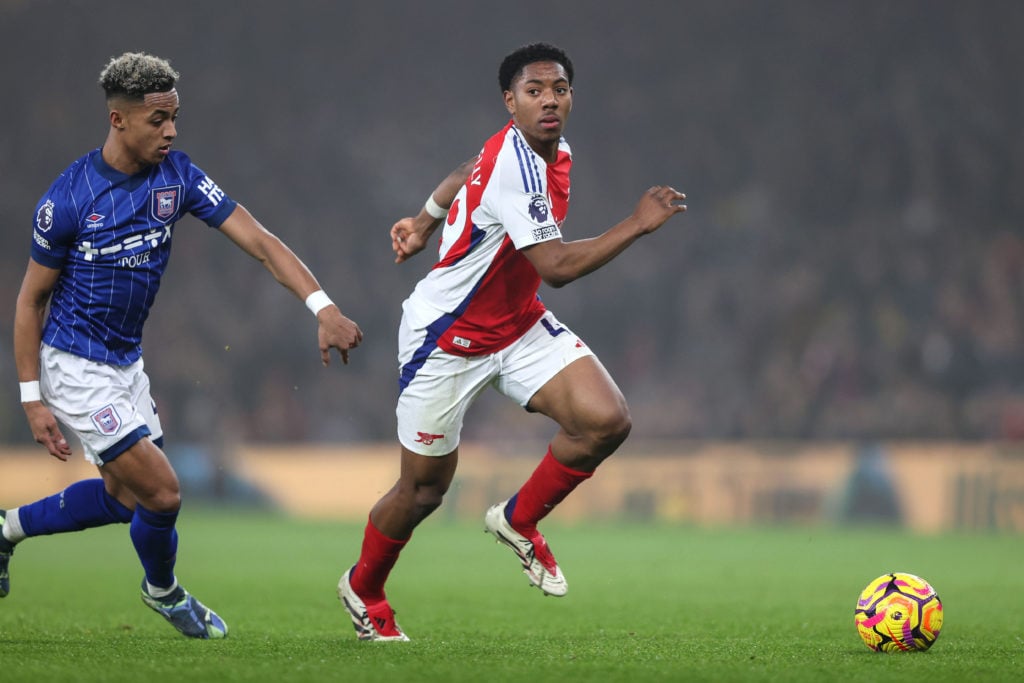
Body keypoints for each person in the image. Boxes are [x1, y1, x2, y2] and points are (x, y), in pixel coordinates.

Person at [0, 52, 363, 639]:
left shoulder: (180, 176)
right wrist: (32, 398)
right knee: (164, 491)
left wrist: (323, 308)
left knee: (125, 500)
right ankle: (164, 592)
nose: (170, 131)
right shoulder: (68, 199)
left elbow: (262, 242)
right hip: (73, 366)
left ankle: (6, 530)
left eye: (175, 117)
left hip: (125, 365)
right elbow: (28, 302)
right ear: (118, 120)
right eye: (157, 120)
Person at [336, 42, 686, 641]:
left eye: (560, 89)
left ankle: (518, 521)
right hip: (446, 337)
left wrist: (424, 218)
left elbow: (466, 165)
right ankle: (363, 587)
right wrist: (636, 224)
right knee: (423, 491)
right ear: (510, 101)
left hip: (517, 323)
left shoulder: (548, 149)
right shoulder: (515, 168)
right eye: (534, 91)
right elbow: (555, 265)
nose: (549, 99)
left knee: (605, 420)